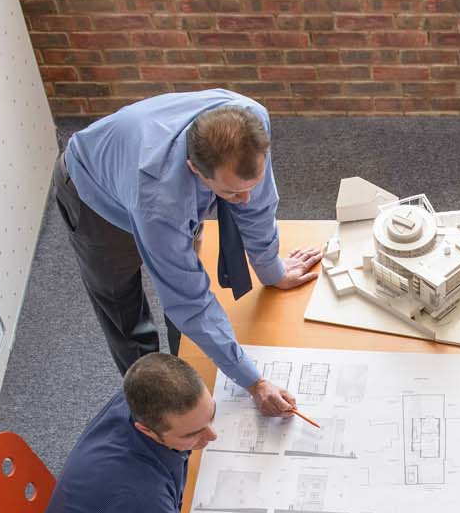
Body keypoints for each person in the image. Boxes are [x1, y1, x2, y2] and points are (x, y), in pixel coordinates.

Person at [54, 89, 322, 416]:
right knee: (121, 300)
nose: (246, 199)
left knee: (185, 286)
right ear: (195, 169)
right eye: (232, 192)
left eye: (253, 183)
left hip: (148, 169)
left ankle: (188, 358)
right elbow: (189, 302)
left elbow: (258, 208)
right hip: (92, 194)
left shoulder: (252, 117)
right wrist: (255, 383)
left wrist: (272, 270)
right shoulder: (160, 203)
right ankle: (154, 398)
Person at [38, 352, 332, 513]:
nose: (212, 437)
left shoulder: (143, 394)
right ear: (147, 431)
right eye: (192, 434)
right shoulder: (141, 494)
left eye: (211, 416)